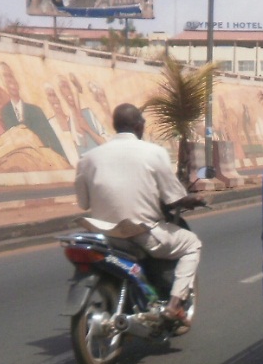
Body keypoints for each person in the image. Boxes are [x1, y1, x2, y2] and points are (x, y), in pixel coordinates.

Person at [75, 103, 205, 326]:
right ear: (138, 126)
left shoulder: (88, 157)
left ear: (115, 126)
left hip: (103, 234)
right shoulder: (154, 153)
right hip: (141, 232)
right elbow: (173, 197)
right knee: (192, 244)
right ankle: (174, 306)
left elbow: (83, 202)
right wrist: (191, 200)